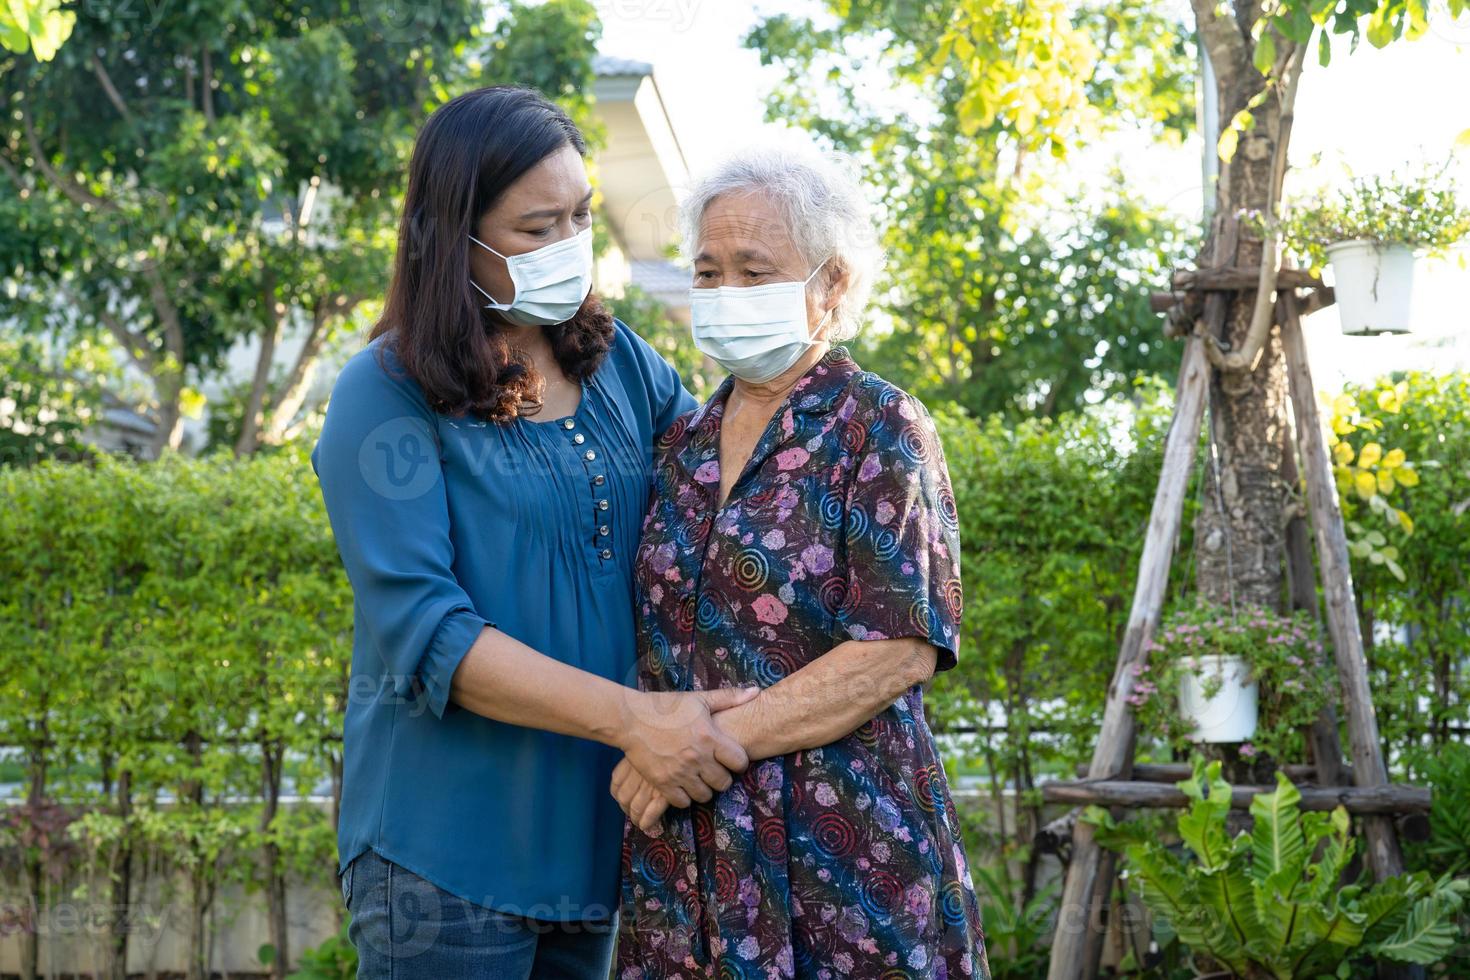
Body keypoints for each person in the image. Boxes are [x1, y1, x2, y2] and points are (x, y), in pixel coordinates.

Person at [311, 85, 755, 980]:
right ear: (454, 241)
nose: (570, 247)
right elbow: (429, 633)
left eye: (582, 217)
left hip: (596, 840)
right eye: (536, 227)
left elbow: (726, 502)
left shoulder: (622, 361)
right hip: (440, 855)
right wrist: (639, 719)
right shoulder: (385, 394)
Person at [612, 145, 991, 978]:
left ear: (833, 286)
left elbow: (897, 647)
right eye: (708, 272)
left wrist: (694, 749)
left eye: (755, 270)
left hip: (846, 851)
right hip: (691, 859)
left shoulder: (879, 425)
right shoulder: (679, 446)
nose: (725, 294)